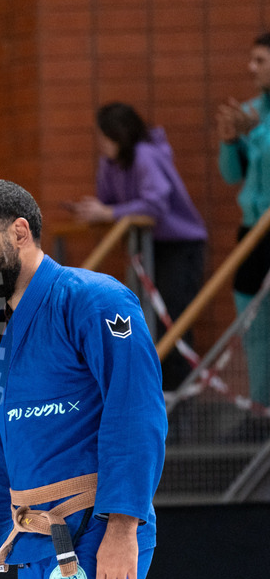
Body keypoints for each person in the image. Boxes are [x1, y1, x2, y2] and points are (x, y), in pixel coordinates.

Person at [0, 179, 167, 579]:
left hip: (95, 530)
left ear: (19, 233)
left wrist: (123, 525)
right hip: (34, 539)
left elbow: (135, 412)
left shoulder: (95, 300)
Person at [68, 102, 208, 391]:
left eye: (104, 135)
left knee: (171, 318)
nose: (100, 142)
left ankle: (175, 395)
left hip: (179, 245)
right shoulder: (111, 163)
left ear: (119, 133)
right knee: (147, 319)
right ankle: (158, 391)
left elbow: (156, 204)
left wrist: (109, 213)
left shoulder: (145, 155)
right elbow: (108, 201)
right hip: (149, 247)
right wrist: (97, 210)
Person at [215, 31, 270, 407]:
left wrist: (257, 133)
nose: (251, 67)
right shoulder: (251, 111)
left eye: (260, 60)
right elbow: (232, 175)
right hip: (253, 230)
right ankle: (260, 406)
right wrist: (230, 141)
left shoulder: (256, 122)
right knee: (252, 318)